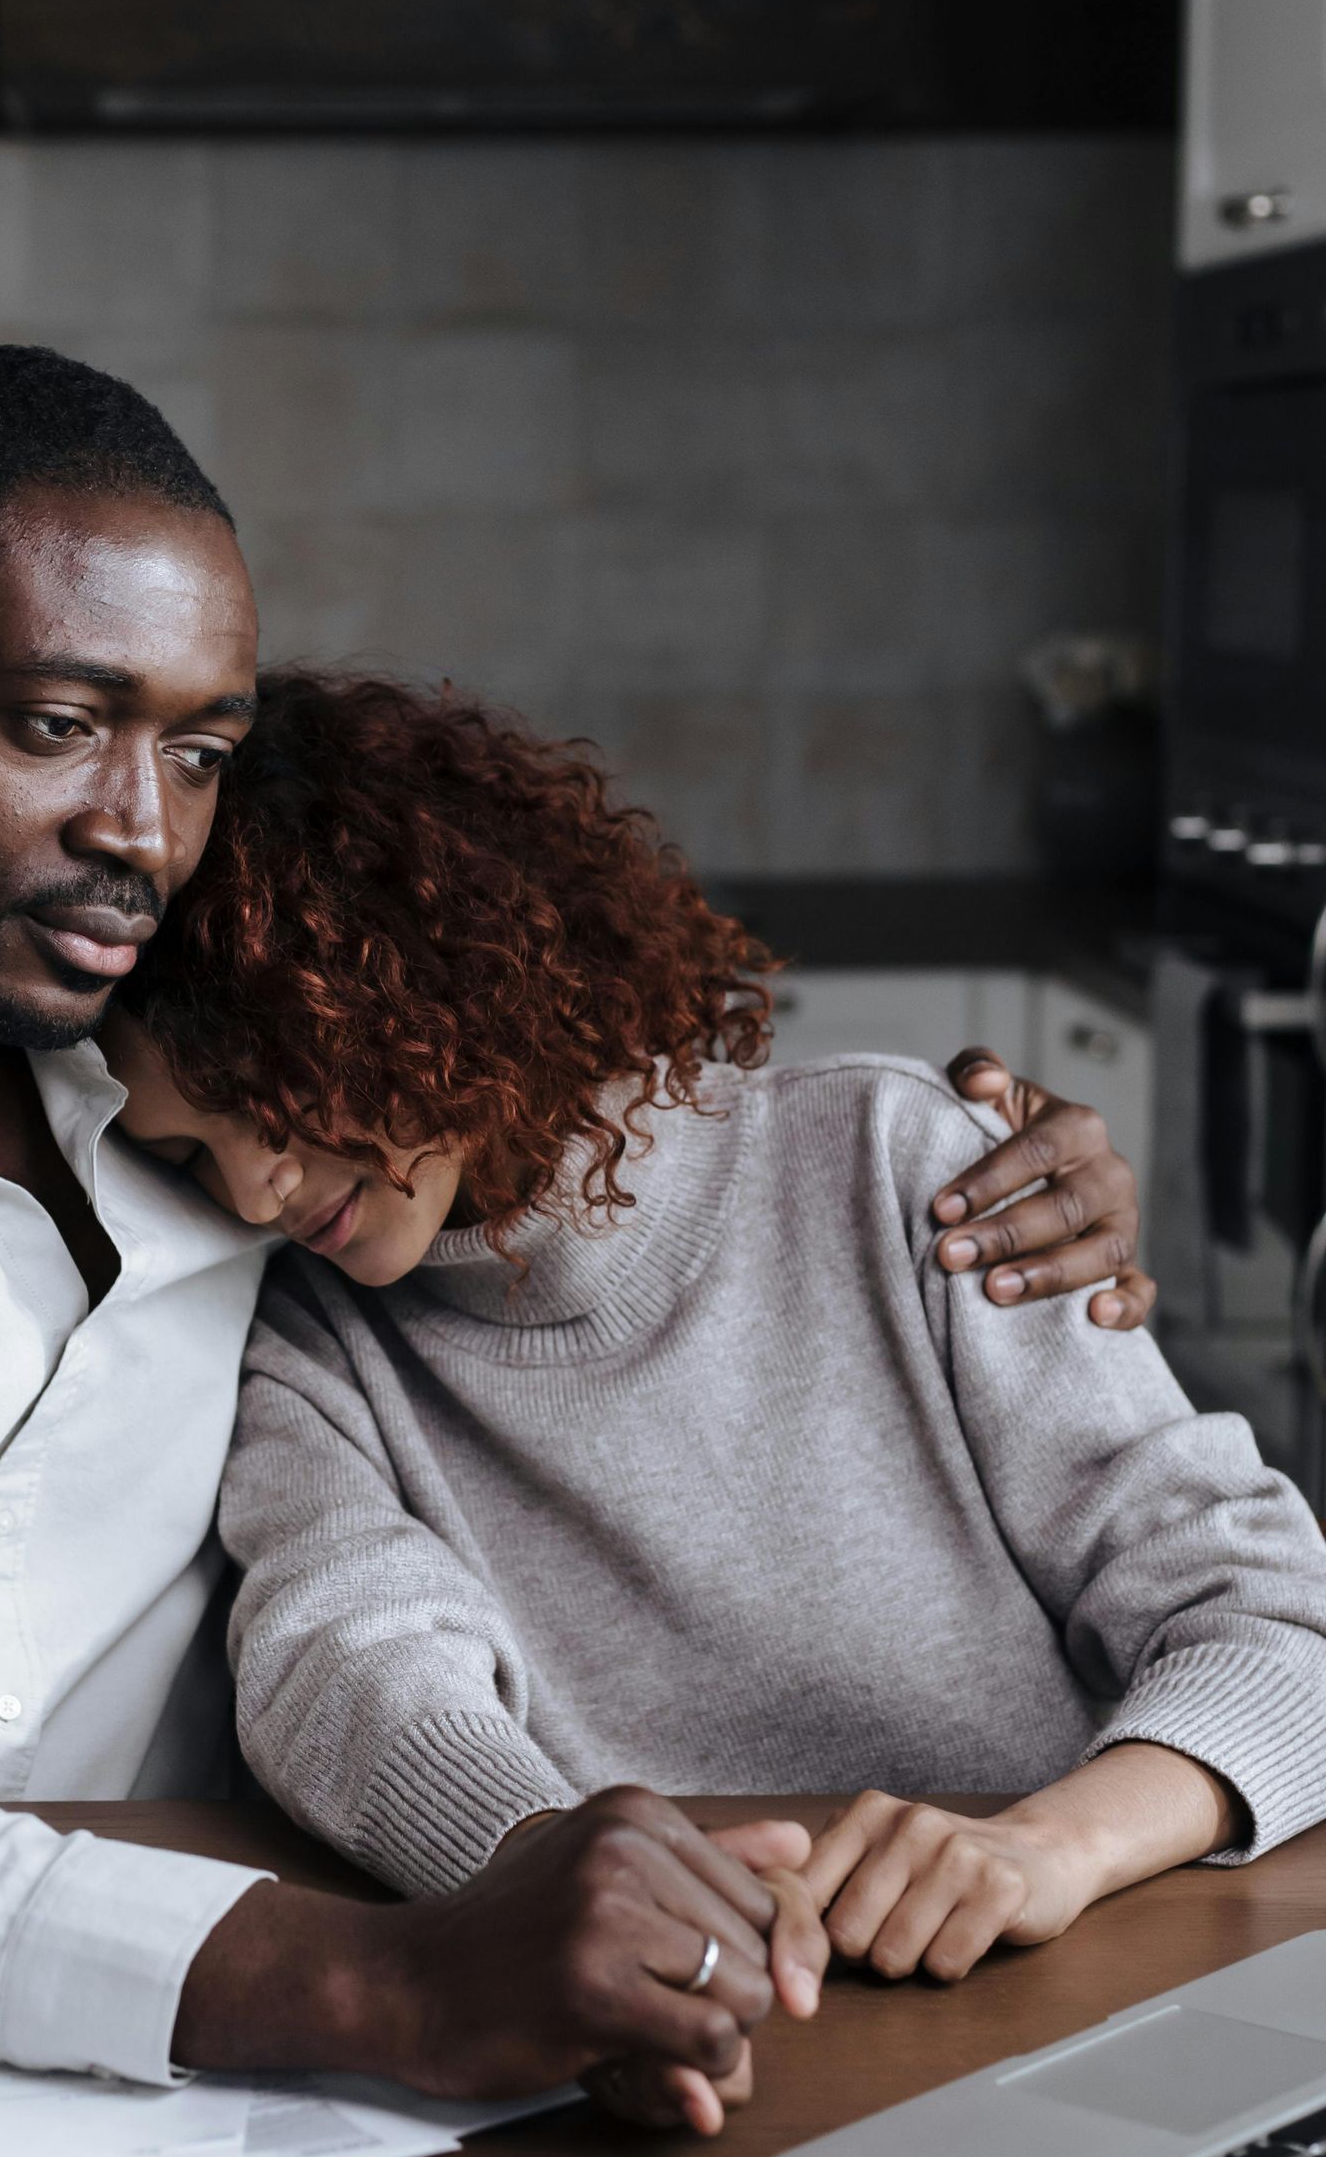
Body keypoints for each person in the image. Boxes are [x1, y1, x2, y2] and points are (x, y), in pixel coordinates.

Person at [0, 347, 1148, 2137]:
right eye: (58, 725)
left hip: (259, 2123)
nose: (140, 835)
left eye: (201, 751)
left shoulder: (210, 1057)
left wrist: (966, 1174)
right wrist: (382, 1980)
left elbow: (583, 1152)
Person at [111, 667, 1326, 2041]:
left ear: (416, 991)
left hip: (1074, 1988)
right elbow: (342, 1665)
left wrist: (1050, 1851)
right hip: (663, 2024)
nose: (256, 1194)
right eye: (186, 1155)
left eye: (276, 1098)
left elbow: (1274, 1617)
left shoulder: (896, 1165)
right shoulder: (306, 1336)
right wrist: (553, 1884)